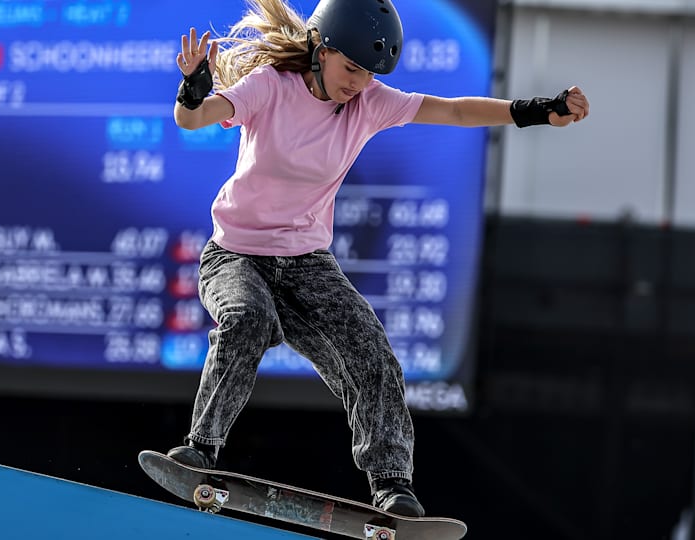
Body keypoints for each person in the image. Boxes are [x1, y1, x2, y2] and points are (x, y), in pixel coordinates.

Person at [166, 0, 590, 518]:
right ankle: (201, 447)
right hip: (236, 254)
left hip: (306, 262)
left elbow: (454, 111)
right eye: (351, 68)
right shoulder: (271, 86)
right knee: (248, 318)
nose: (359, 83)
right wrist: (193, 87)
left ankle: (391, 483)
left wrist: (538, 110)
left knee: (372, 351)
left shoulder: (370, 103)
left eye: (369, 74)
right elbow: (195, 118)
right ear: (321, 49)